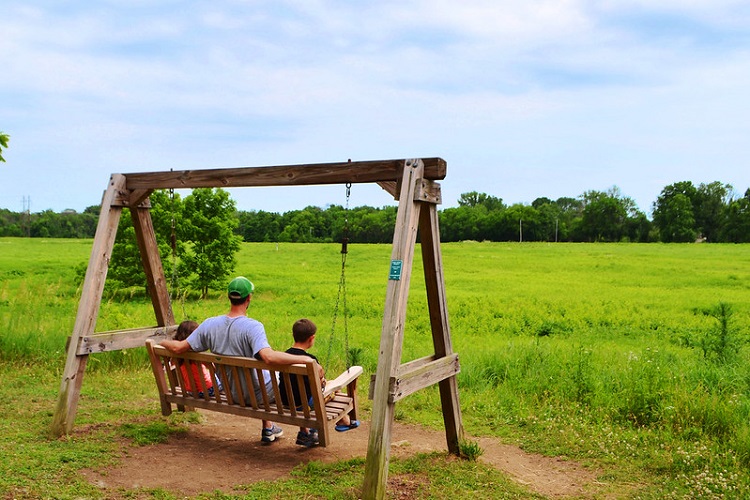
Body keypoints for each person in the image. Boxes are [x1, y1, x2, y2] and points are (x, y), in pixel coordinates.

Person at [159, 276, 315, 444]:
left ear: (228, 297)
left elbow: (178, 348)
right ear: (249, 298)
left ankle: (268, 427)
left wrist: (161, 342)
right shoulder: (253, 327)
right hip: (261, 395)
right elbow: (268, 357)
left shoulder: (209, 324)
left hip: (233, 393)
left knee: (255, 375)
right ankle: (304, 432)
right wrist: (305, 359)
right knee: (288, 376)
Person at [279, 318, 359, 448]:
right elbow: (320, 385)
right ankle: (344, 421)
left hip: (286, 402)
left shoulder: (284, 356)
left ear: (294, 335)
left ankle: (306, 432)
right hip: (304, 405)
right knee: (333, 388)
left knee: (313, 390)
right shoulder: (311, 361)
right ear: (312, 338)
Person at [173, 320, 214, 398]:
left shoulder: (176, 354)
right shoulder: (198, 354)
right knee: (221, 378)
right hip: (207, 390)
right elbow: (213, 368)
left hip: (190, 391)